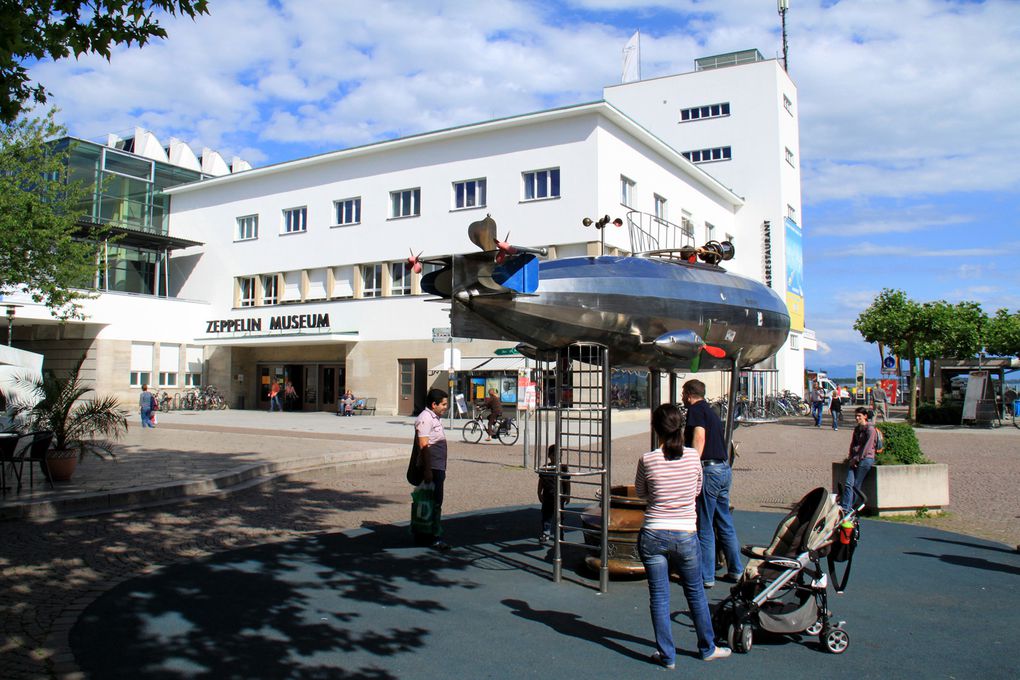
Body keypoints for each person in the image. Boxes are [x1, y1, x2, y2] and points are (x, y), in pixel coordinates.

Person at [635, 403, 731, 669]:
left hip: (654, 531)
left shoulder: (648, 459)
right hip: (685, 533)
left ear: (656, 429)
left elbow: (642, 493)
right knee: (695, 593)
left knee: (659, 596)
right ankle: (707, 646)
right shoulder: (692, 458)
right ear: (681, 427)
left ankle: (667, 654)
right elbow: (698, 489)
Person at [682, 379, 742, 589]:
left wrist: (692, 465)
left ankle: (706, 575)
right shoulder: (711, 411)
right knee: (724, 521)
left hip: (709, 470)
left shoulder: (696, 410)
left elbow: (699, 437)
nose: (682, 398)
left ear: (689, 394)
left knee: (705, 524)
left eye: (683, 393)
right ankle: (736, 569)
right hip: (723, 468)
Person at [414, 388, 451, 551]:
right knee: (433, 502)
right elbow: (423, 445)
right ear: (433, 404)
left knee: (433, 502)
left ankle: (426, 533)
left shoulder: (434, 417)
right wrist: (428, 470)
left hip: (437, 466)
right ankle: (432, 536)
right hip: (432, 468)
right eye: (443, 404)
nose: (445, 407)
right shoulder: (425, 419)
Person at [841, 407, 878, 511]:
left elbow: (867, 447)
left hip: (865, 459)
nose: (857, 418)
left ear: (865, 416)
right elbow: (853, 444)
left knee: (856, 485)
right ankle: (845, 508)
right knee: (849, 483)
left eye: (859, 416)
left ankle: (850, 508)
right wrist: (851, 457)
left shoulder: (870, 429)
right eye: (856, 416)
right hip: (854, 459)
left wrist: (857, 459)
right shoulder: (857, 429)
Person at [537, 445, 570, 544]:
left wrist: (568, 494)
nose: (557, 457)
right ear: (549, 456)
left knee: (560, 518)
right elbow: (541, 481)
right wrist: (539, 492)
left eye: (560, 455)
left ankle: (560, 535)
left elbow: (567, 482)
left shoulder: (563, 468)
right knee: (546, 517)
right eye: (554, 455)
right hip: (548, 497)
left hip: (560, 497)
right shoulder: (545, 468)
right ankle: (545, 533)